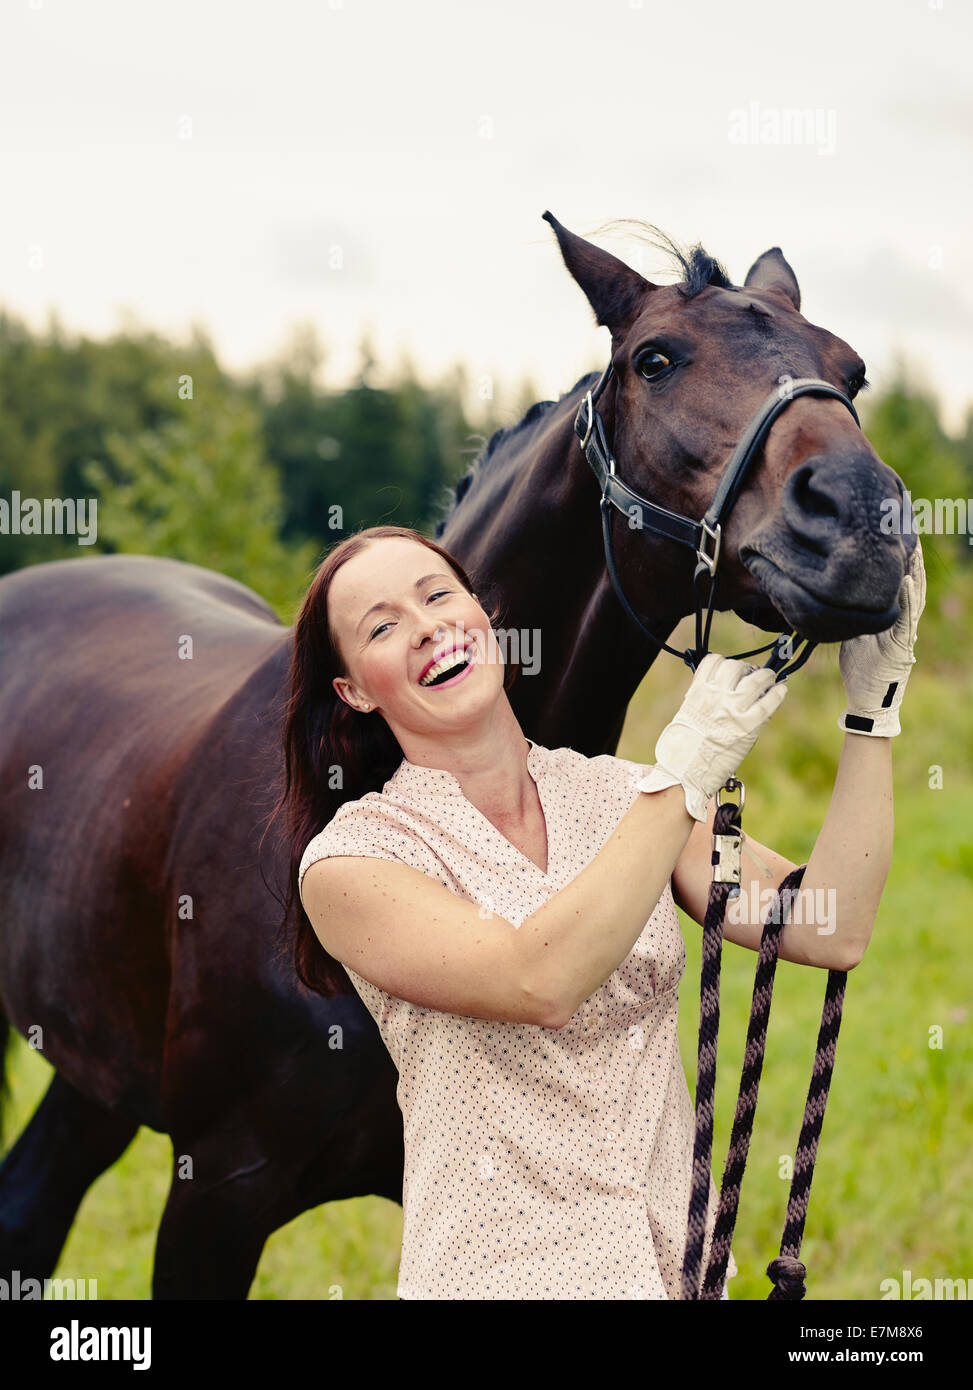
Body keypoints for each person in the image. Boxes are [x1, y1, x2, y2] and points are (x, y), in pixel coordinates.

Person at [280, 523, 924, 1301]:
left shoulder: (622, 797)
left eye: (438, 595)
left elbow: (829, 925)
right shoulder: (354, 861)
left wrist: (872, 712)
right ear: (352, 689)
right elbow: (538, 980)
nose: (426, 627)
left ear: (481, 616)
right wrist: (683, 777)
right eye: (381, 626)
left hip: (677, 1273)